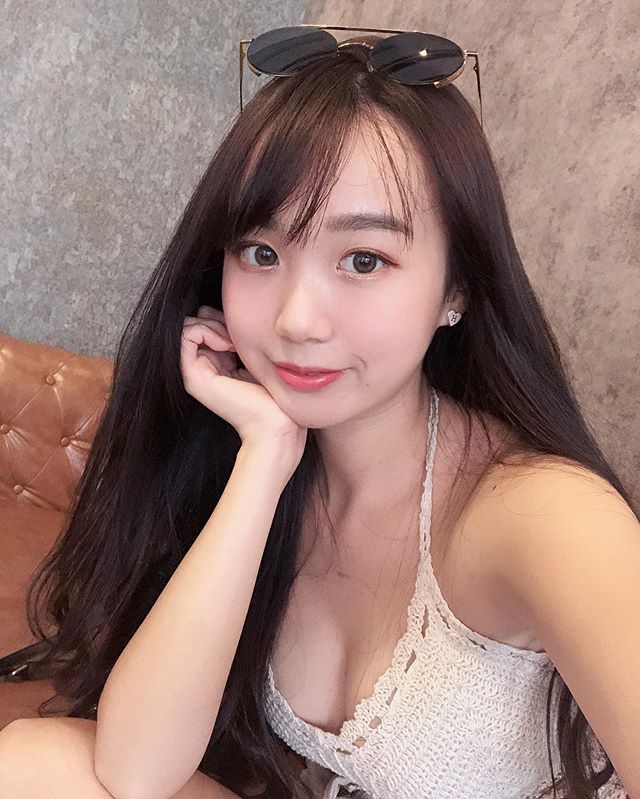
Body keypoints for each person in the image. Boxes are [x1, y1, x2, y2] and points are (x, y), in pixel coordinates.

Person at [0, 24, 637, 799]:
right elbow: (135, 771)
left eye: (364, 259)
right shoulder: (270, 464)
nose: (296, 319)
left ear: (458, 288)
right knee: (27, 762)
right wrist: (265, 456)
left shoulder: (545, 513)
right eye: (261, 253)